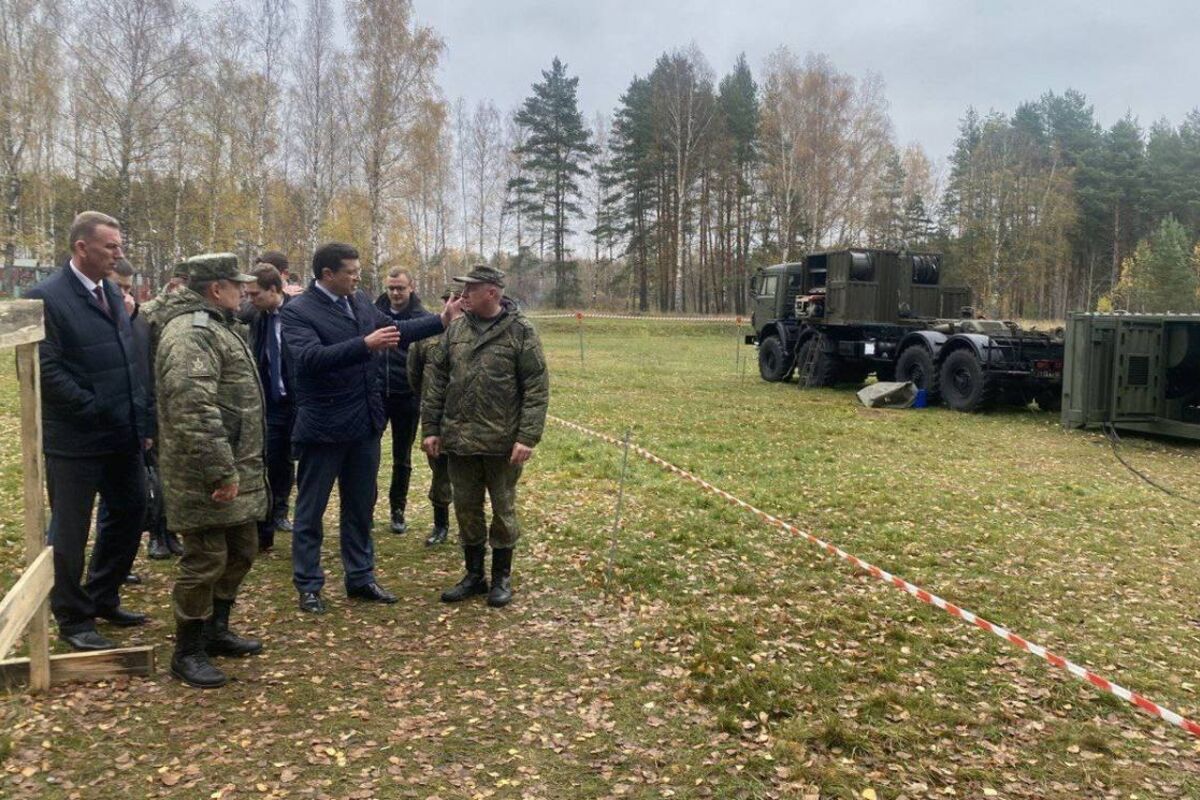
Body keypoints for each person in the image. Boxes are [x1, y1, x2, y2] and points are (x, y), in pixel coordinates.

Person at [280, 242, 460, 614]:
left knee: (360, 506)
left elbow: (394, 330)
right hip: (323, 427)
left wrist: (441, 321)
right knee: (311, 510)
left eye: (358, 270)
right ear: (327, 274)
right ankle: (309, 585)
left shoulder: (360, 301)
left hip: (364, 424)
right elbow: (309, 359)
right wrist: (364, 344)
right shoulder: (298, 312)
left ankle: (360, 576)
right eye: (350, 271)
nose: (358, 276)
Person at [26, 211, 154, 651]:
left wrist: (141, 417)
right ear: (82, 247)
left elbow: (129, 358)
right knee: (70, 531)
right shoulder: (46, 297)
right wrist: (96, 408)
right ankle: (74, 617)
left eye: (119, 245)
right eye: (110, 246)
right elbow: (48, 369)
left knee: (132, 511)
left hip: (122, 434)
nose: (118, 253)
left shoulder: (113, 296)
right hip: (75, 441)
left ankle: (103, 596)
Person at [155, 252, 268, 688]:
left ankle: (216, 629)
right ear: (216, 289)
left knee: (242, 549)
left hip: (235, 466)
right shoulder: (191, 334)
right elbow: (193, 408)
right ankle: (188, 650)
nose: (245, 292)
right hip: (204, 472)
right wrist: (220, 471)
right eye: (237, 285)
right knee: (204, 559)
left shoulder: (219, 327)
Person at [421, 266, 548, 608]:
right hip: (459, 441)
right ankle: (474, 575)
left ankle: (501, 578)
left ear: (491, 293)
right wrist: (431, 428)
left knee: (503, 510)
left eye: (470, 290)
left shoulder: (520, 332)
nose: (462, 298)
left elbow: (536, 387)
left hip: (502, 445)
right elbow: (436, 380)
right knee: (466, 509)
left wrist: (527, 437)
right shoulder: (457, 330)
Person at [373, 267, 433, 535]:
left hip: (407, 396)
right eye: (391, 288)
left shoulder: (423, 320)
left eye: (400, 288)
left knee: (402, 457)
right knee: (368, 456)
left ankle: (398, 509)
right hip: (375, 395)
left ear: (411, 287)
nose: (395, 293)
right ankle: (365, 507)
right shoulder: (373, 314)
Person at [244, 264, 296, 551]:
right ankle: (265, 529)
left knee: (291, 461)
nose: (249, 299)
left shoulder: (297, 314)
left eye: (255, 294)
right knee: (270, 461)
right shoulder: (257, 315)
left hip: (298, 402)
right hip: (272, 403)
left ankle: (283, 513)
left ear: (274, 290)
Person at [407, 286, 461, 546]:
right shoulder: (427, 336)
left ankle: (470, 528)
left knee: (472, 477)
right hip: (438, 419)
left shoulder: (481, 334)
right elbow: (414, 376)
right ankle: (441, 525)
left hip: (472, 419)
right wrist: (430, 405)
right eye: (450, 299)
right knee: (440, 474)